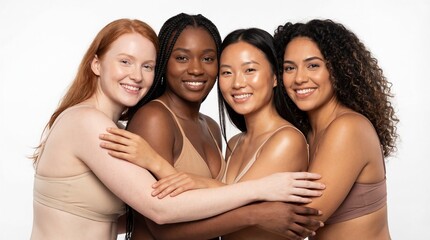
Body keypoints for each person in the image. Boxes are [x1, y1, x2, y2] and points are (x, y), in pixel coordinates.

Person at [29, 18, 324, 240]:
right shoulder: (90, 123)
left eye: (146, 66)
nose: (136, 74)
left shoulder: (210, 128)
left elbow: (145, 210)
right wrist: (259, 200)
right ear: (96, 64)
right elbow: (159, 213)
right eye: (125, 62)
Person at [273, 19, 399, 239]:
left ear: (338, 69)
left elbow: (301, 219)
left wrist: (222, 193)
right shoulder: (305, 134)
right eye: (289, 68)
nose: (300, 78)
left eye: (313, 65)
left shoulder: (348, 128)